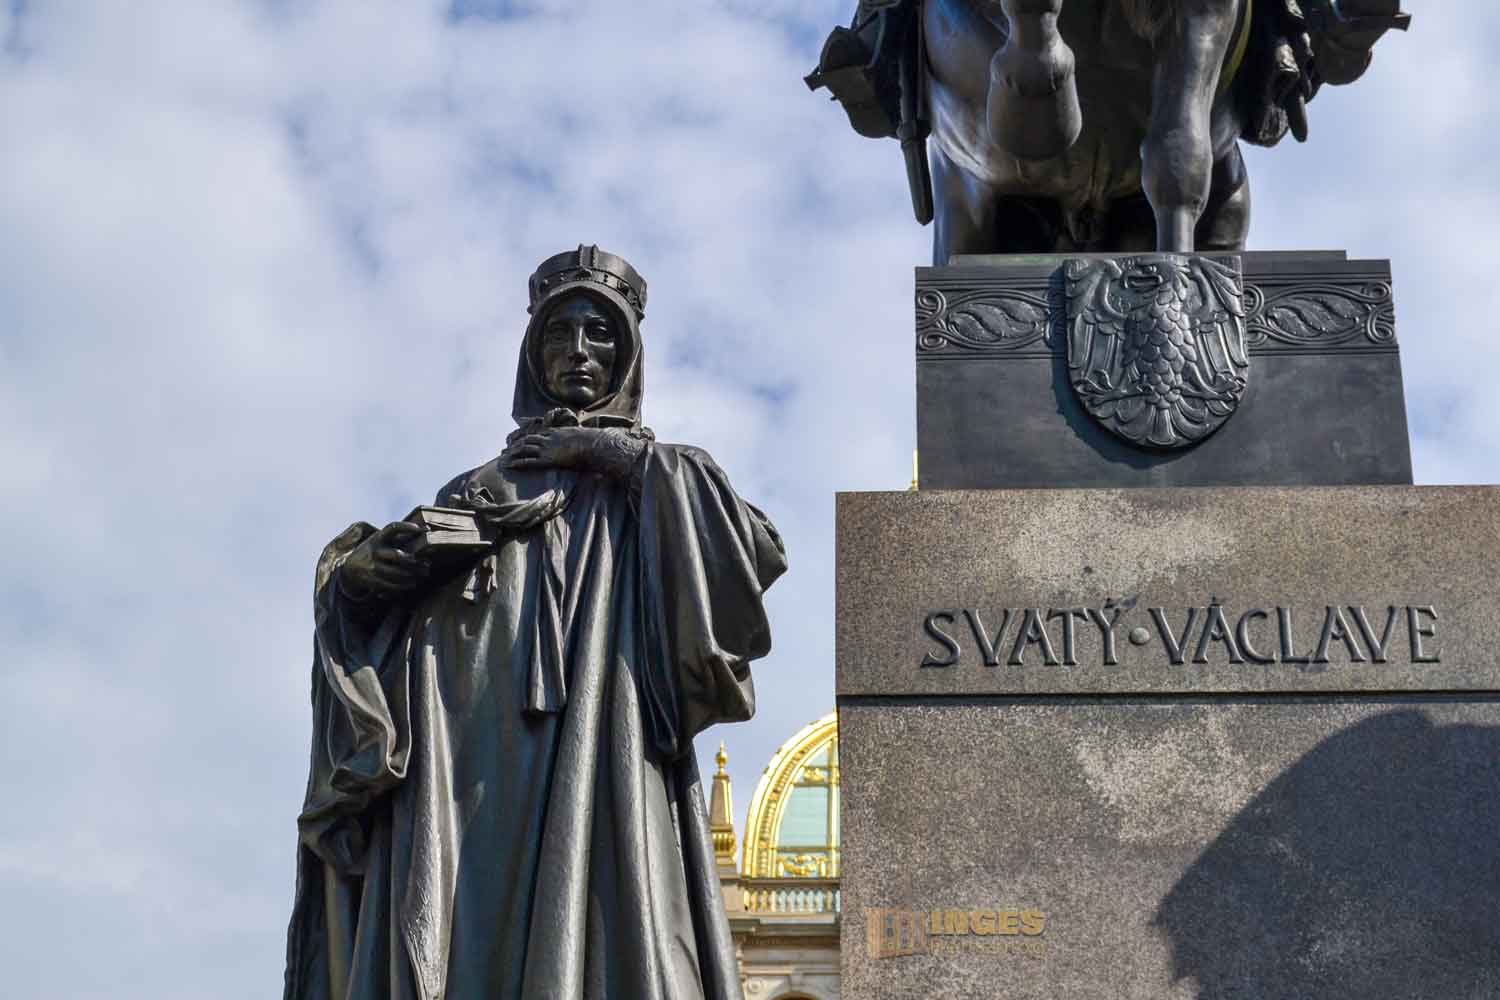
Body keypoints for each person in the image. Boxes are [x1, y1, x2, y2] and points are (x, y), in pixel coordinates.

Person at [283, 245, 786, 1000]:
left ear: (629, 355)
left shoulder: (652, 479)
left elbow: (755, 549)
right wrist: (356, 582)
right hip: (476, 773)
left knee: (623, 928)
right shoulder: (479, 489)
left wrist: (609, 453)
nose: (578, 352)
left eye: (601, 333)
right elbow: (377, 628)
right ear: (532, 353)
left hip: (607, 743)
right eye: (559, 333)